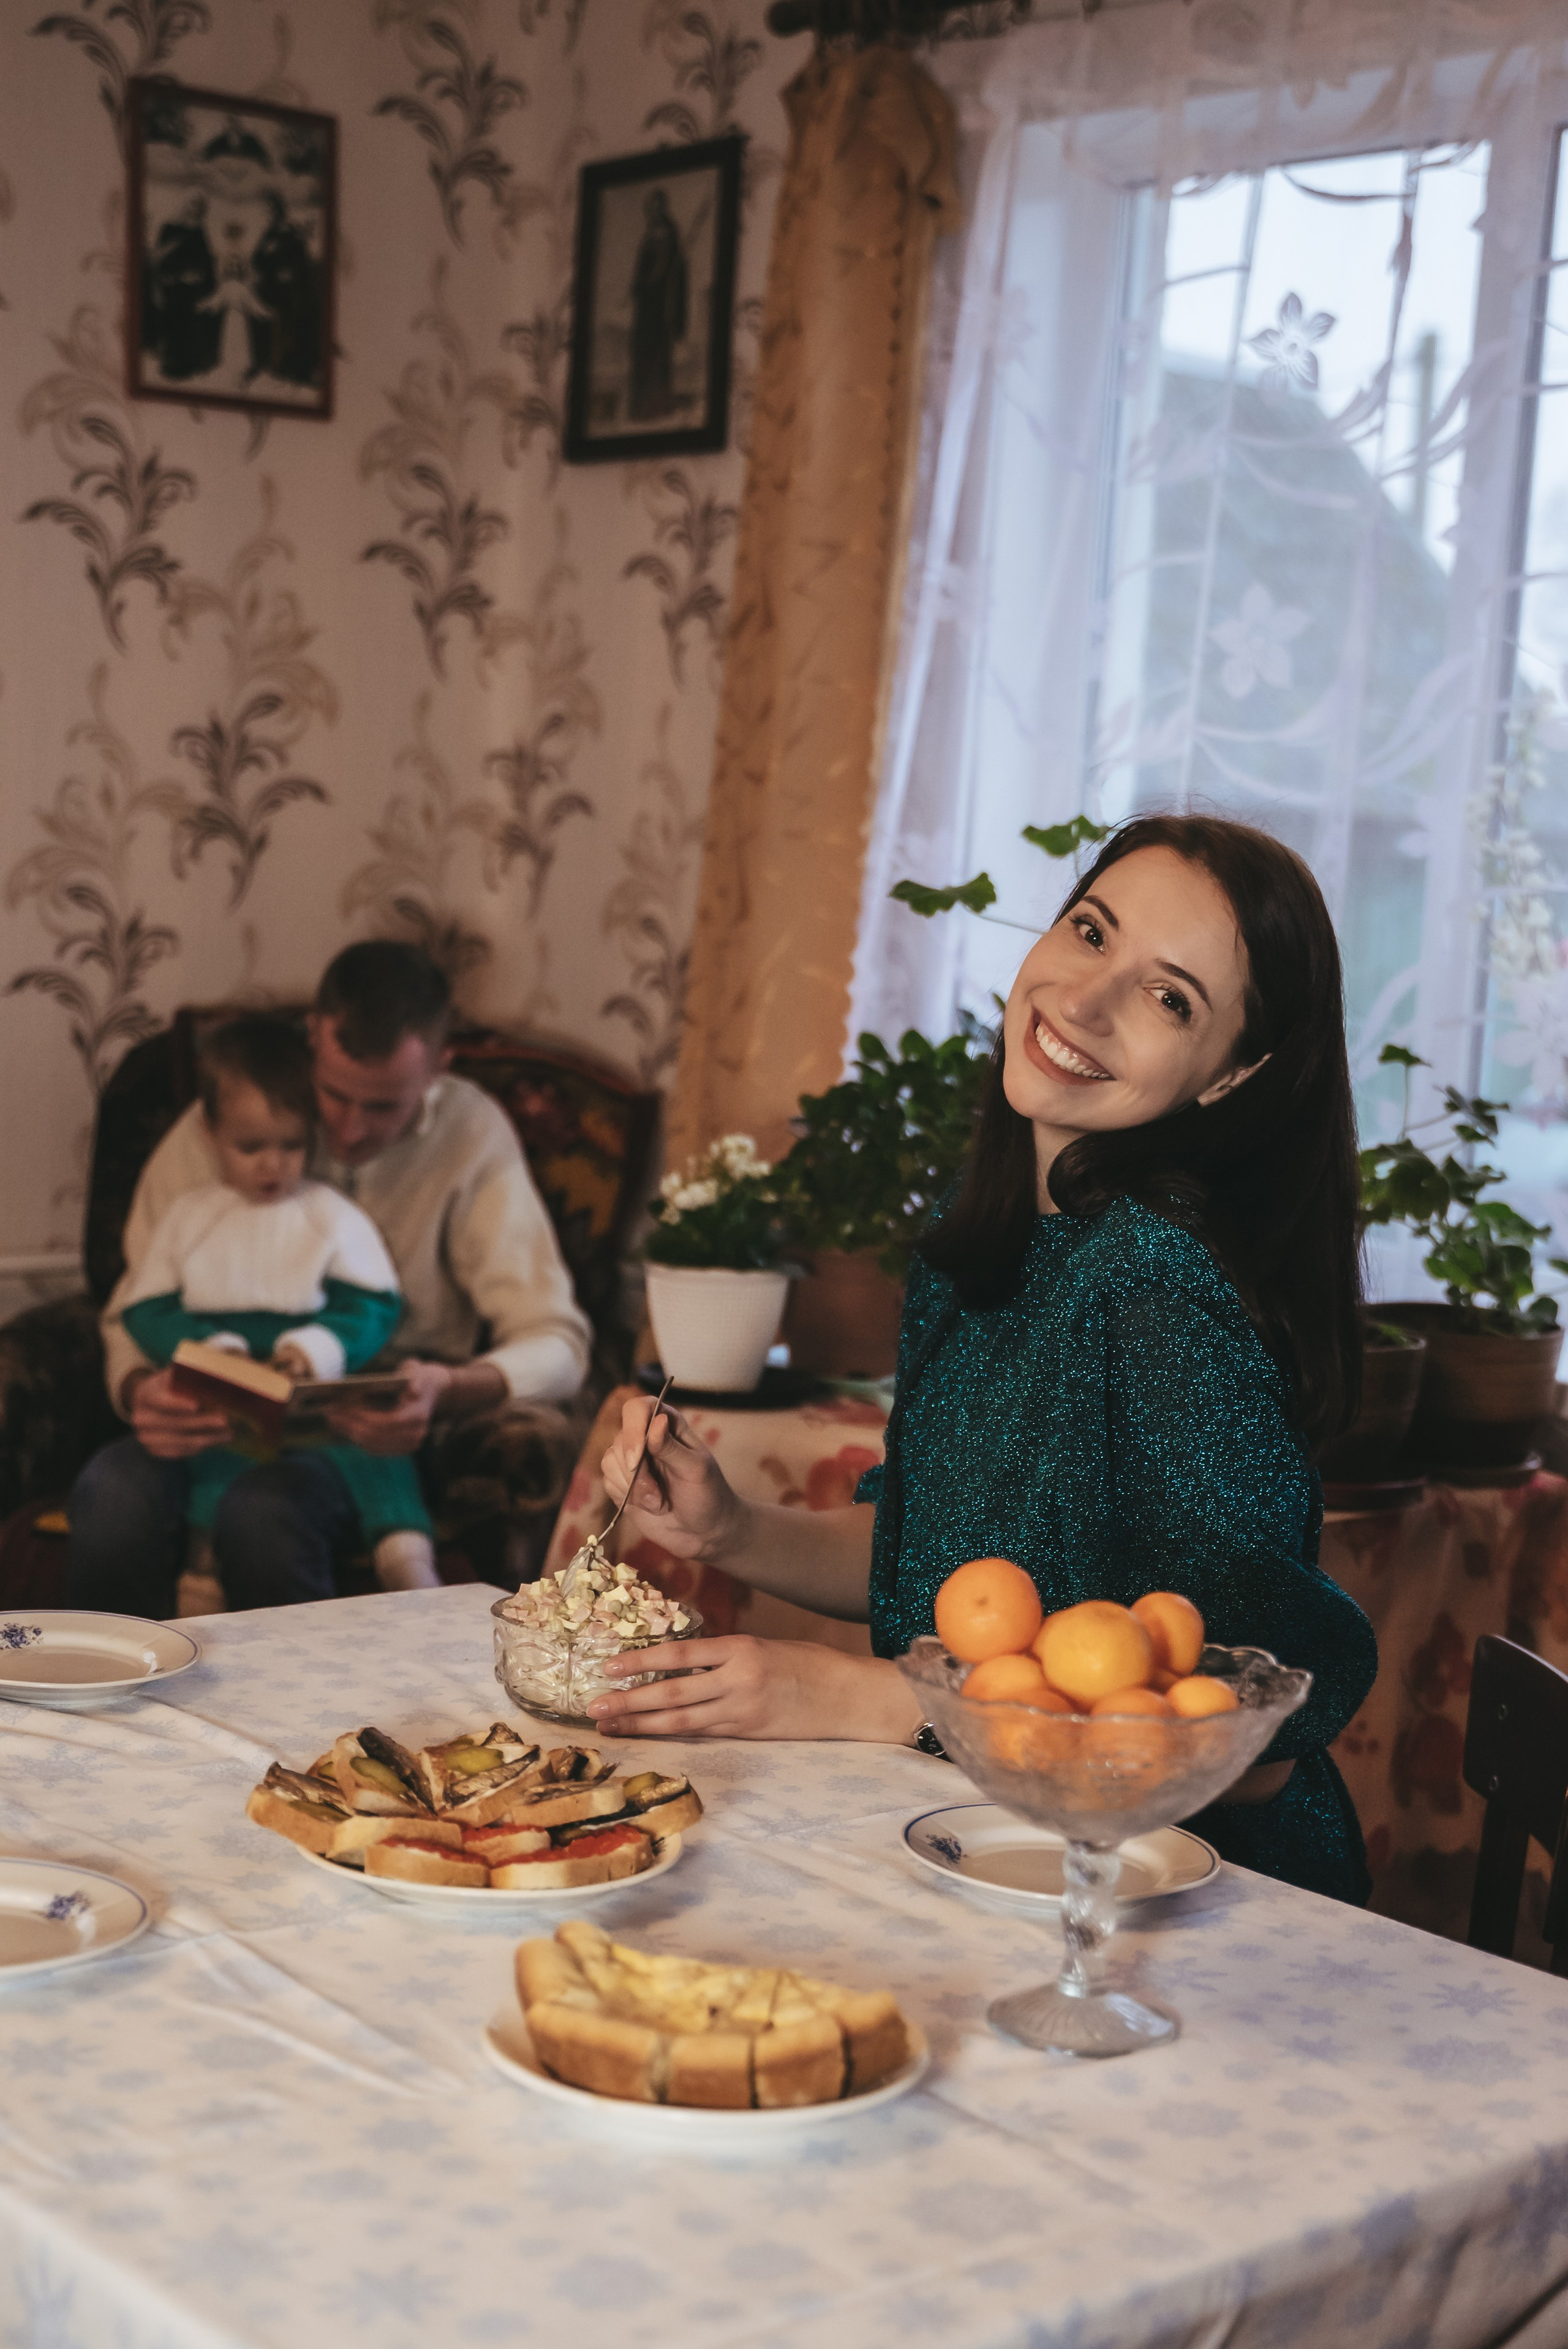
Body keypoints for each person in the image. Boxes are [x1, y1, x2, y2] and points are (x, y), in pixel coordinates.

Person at [592, 815, 1380, 1905]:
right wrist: (730, 1528)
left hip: (1193, 1902)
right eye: (1092, 931)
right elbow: (932, 1553)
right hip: (988, 1847)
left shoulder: (1155, 1282)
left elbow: (1250, 1735)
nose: (1086, 1000)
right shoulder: (996, 1244)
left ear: (1234, 1073)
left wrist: (868, 1698)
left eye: (1169, 998)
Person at [68, 941, 592, 1615]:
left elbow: (557, 1340)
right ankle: (105, 1681)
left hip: (365, 1437)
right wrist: (140, 1387)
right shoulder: (231, 1116)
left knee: (264, 1515)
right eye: (334, 1095)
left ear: (440, 1064)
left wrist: (449, 1389)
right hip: (211, 1416)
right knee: (110, 1492)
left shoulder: (472, 1134)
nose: (348, 1129)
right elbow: (132, 1309)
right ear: (313, 1036)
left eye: (384, 1108)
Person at [118, 1015, 437, 1593]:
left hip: (316, 1404)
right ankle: (202, 1574)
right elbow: (148, 1307)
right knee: (213, 1457)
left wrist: (314, 1350)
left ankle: (407, 1559)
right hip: (224, 1401)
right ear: (209, 1134)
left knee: (375, 1452)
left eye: (292, 1145)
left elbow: (373, 1302)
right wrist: (211, 1352)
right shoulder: (189, 1217)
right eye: (251, 1147)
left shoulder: (330, 1214)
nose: (273, 1164)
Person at [627, 187, 687, 421]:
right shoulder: (649, 237)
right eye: (650, 208)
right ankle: (641, 408)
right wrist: (638, 286)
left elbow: (670, 274)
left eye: (656, 207)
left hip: (660, 309)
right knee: (642, 355)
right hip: (645, 308)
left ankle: (658, 408)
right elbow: (642, 272)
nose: (652, 212)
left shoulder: (669, 238)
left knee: (658, 358)